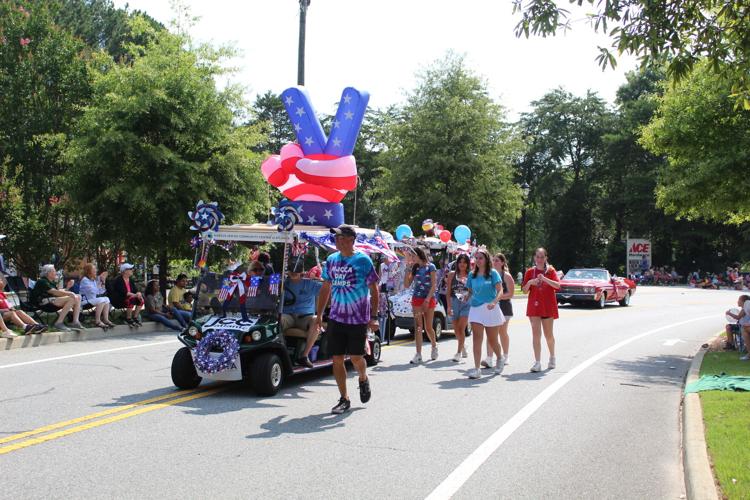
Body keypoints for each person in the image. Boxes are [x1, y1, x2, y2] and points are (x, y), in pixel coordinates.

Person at [315, 224, 379, 415]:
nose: (337, 240)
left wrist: (374, 317)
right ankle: (344, 398)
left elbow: (374, 290)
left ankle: (363, 377)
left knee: (357, 357)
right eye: (336, 237)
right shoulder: (331, 260)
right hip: (336, 317)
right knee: (336, 358)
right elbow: (326, 287)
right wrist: (319, 314)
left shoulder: (363, 260)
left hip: (358, 318)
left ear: (351, 240)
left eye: (341, 237)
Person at [464, 249, 505, 379]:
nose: (478, 260)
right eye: (476, 258)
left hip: (490, 308)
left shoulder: (493, 273)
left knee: (492, 340)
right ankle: (477, 369)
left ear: (486, 259)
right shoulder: (472, 275)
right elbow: (470, 291)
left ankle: (500, 357)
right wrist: (466, 296)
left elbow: (500, 291)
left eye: (480, 258)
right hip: (476, 308)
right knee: (477, 338)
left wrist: (494, 302)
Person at [522, 247, 561, 372]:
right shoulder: (530, 272)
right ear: (534, 258)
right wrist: (530, 283)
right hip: (534, 307)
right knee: (536, 335)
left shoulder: (551, 271)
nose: (539, 259)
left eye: (542, 257)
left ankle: (552, 357)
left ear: (545, 258)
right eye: (537, 257)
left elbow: (558, 286)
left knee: (548, 335)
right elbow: (524, 290)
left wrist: (545, 279)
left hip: (548, 306)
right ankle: (537, 362)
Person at [282, 261, 323, 368]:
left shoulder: (310, 283)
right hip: (288, 315)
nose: (294, 273)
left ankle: (304, 356)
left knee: (315, 320)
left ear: (302, 272)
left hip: (305, 317)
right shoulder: (284, 283)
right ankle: (280, 351)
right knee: (277, 320)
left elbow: (328, 290)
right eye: (291, 270)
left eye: (297, 270)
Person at [404, 247, 438, 364]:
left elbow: (434, 285)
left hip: (428, 299)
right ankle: (418, 354)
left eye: (413, 256)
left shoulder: (431, 267)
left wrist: (427, 300)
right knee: (418, 326)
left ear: (419, 255)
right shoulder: (415, 268)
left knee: (428, 327)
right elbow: (407, 285)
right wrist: (407, 268)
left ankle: (434, 346)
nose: (412, 258)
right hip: (417, 299)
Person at [29, 264, 83, 332]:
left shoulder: (51, 282)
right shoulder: (42, 281)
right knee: (72, 298)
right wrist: (70, 293)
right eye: (54, 271)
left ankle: (75, 322)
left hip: (51, 301)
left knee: (78, 297)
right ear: (48, 273)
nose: (56, 273)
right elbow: (54, 292)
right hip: (42, 303)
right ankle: (59, 323)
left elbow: (58, 293)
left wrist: (68, 287)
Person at [446, 253, 471, 362]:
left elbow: (472, 291)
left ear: (467, 264)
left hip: (466, 303)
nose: (462, 264)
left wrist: (468, 297)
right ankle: (463, 345)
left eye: (464, 262)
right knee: (456, 329)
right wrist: (449, 306)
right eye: (460, 262)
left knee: (461, 328)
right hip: (454, 301)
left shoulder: (471, 275)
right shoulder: (452, 274)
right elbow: (447, 292)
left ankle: (458, 352)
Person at [493, 253, 515, 367]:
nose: (494, 262)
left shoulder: (506, 275)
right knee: (491, 333)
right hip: (492, 308)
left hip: (504, 307)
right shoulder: (490, 275)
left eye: (497, 260)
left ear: (502, 263)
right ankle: (489, 357)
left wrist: (497, 298)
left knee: (502, 332)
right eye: (493, 260)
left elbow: (511, 294)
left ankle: (505, 356)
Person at [79, 263, 114, 330]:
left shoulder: (93, 280)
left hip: (92, 300)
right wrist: (99, 282)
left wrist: (103, 282)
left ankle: (105, 319)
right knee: (101, 300)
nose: (96, 270)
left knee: (106, 299)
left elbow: (100, 292)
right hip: (84, 301)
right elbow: (94, 291)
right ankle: (97, 321)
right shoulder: (85, 280)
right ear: (89, 271)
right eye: (94, 269)